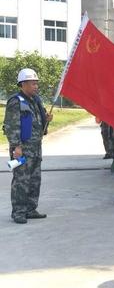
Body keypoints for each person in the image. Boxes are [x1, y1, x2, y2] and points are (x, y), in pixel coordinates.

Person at [3, 68, 52, 224]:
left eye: (37, 83)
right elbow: (11, 125)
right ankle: (18, 212)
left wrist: (47, 119)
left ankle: (31, 209)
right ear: (23, 84)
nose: (36, 87)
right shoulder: (15, 101)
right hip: (22, 150)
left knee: (34, 180)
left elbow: (39, 123)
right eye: (33, 84)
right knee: (21, 181)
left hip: (36, 149)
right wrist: (16, 146)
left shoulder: (36, 101)